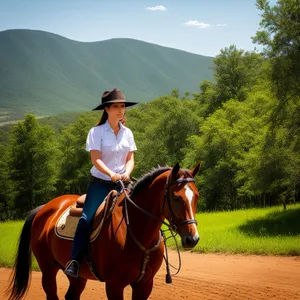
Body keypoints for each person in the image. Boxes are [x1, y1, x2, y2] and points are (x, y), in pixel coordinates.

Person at [64, 88, 138, 278]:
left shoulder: (127, 133)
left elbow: (130, 158)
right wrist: (112, 173)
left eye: (122, 106)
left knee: (139, 215)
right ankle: (74, 261)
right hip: (100, 184)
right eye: (116, 107)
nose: (121, 110)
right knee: (86, 219)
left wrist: (127, 173)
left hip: (122, 184)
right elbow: (96, 159)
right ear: (107, 109)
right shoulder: (96, 132)